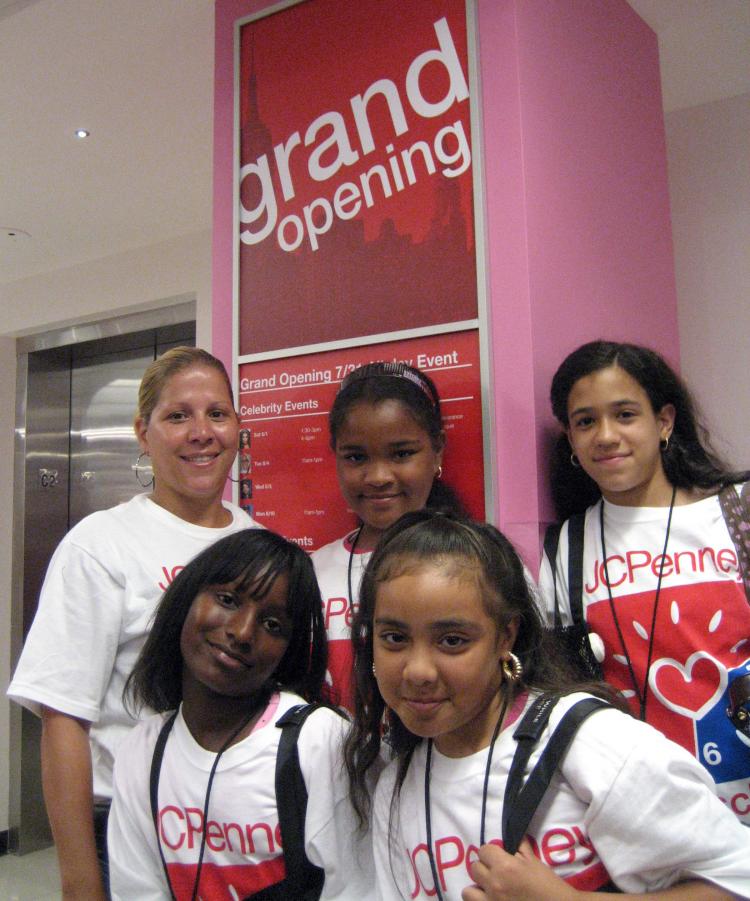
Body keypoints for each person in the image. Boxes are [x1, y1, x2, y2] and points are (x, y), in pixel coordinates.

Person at [344, 510, 750, 900]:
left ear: (506, 637)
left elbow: (736, 883)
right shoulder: (397, 788)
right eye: (395, 638)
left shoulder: (591, 743)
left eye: (452, 641)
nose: (418, 671)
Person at [8, 346, 259, 900]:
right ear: (143, 433)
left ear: (238, 429)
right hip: (126, 823)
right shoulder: (101, 545)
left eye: (218, 414)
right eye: (178, 416)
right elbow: (63, 719)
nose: (202, 432)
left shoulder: (256, 544)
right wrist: (80, 883)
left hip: (238, 826)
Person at [539, 340, 750, 823]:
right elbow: (566, 694)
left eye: (625, 414)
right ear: (570, 439)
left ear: (665, 421)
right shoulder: (567, 548)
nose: (606, 436)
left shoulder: (737, 511)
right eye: (585, 421)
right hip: (646, 818)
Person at [107, 528, 374, 900]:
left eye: (273, 625)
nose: (242, 632)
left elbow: (354, 889)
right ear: (186, 597)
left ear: (289, 650)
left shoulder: (317, 740)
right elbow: (137, 891)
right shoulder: (144, 750)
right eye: (228, 600)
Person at [312, 361, 462, 709]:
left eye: (402, 454)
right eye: (356, 457)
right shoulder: (311, 572)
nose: (378, 476)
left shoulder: (479, 562)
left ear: (437, 449)